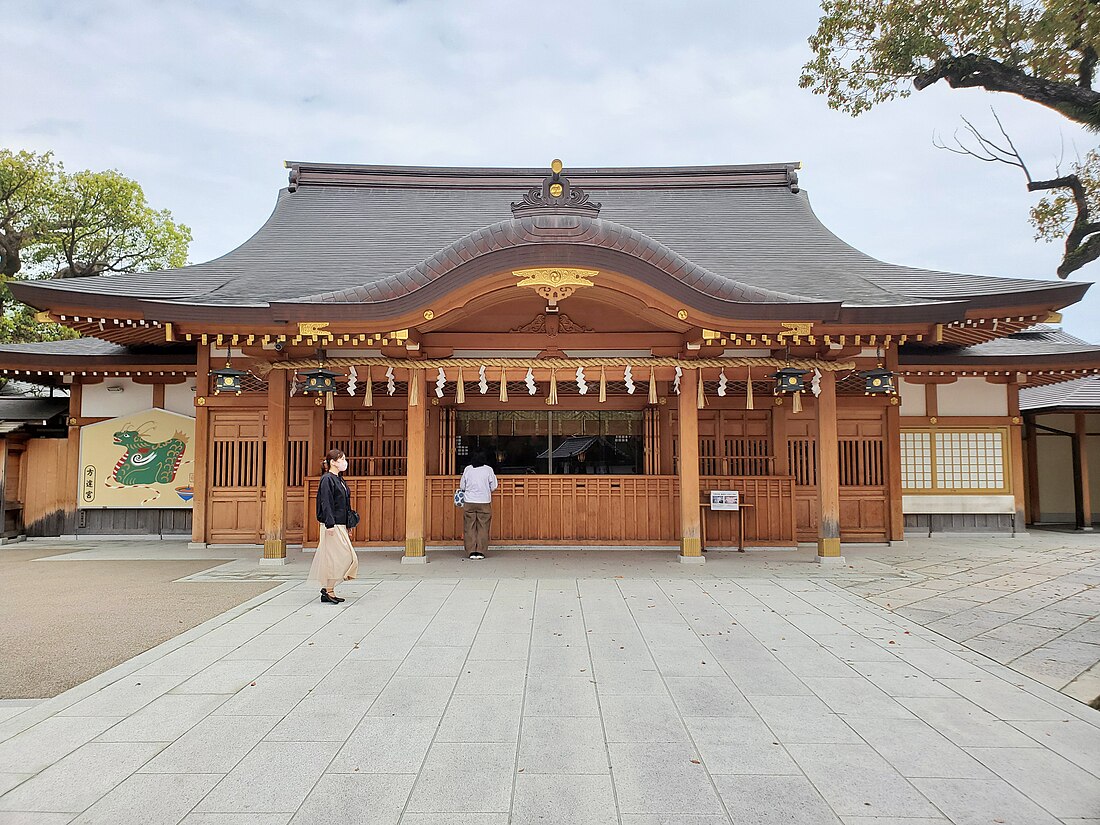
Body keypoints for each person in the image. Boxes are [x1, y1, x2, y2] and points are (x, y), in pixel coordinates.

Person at [308, 448, 359, 603]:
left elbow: (345, 504)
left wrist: (349, 524)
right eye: (341, 459)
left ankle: (328, 589)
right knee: (342, 557)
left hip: (341, 524)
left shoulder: (339, 479)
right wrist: (329, 524)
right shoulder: (327, 479)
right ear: (333, 462)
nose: (344, 462)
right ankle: (328, 590)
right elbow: (326, 503)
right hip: (332, 525)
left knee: (341, 558)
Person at [459, 451, 497, 559]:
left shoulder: (468, 469)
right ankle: (480, 551)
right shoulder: (488, 469)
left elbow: (462, 486)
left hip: (469, 502)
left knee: (469, 527)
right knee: (483, 527)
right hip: (484, 501)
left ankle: (471, 551)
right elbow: (494, 486)